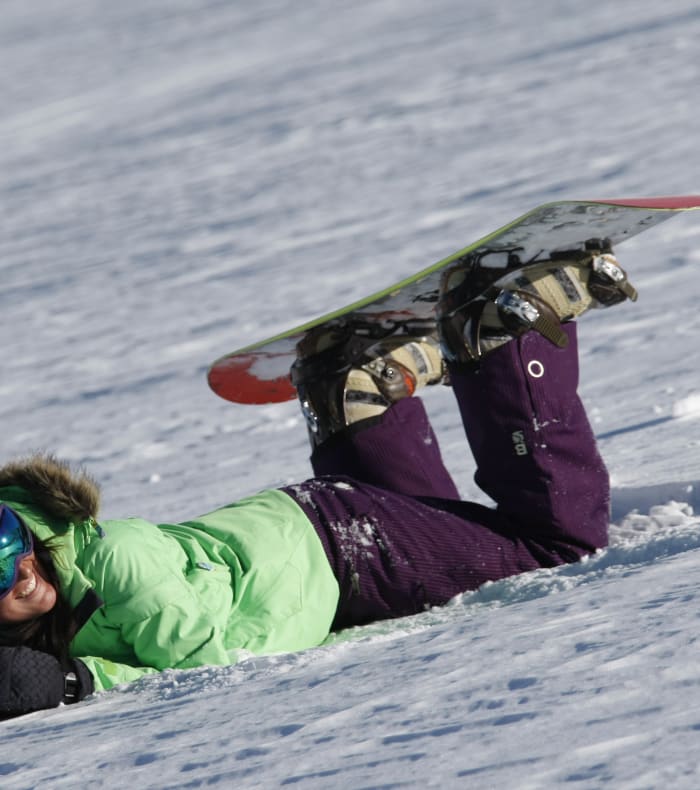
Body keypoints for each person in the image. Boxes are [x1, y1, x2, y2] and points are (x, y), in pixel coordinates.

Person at [0, 249, 635, 718]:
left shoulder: (114, 562)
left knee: (556, 543)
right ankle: (350, 386)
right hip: (329, 544)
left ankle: (507, 327)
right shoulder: (53, 609)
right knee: (432, 520)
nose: (20, 567)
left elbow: (212, 666)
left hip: (343, 549)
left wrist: (84, 682)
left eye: (10, 539)